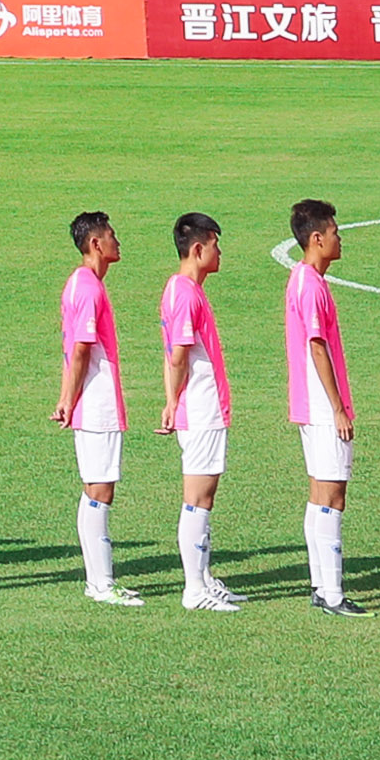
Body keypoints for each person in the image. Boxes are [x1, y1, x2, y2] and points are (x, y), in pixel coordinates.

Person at [52, 212, 142, 607]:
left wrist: (66, 397)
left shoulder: (80, 283)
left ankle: (99, 581)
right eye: (111, 236)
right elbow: (81, 350)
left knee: (96, 489)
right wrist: (69, 399)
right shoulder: (88, 288)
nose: (117, 242)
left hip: (90, 403)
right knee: (99, 491)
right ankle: (101, 583)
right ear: (94, 244)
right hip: (95, 403)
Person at [284, 198, 368, 615]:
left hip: (308, 404)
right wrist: (337, 407)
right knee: (333, 495)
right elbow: (317, 346)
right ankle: (332, 592)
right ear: (316, 238)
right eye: (334, 232)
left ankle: (321, 586)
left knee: (319, 494)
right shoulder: (312, 286)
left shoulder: (302, 279)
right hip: (321, 406)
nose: (340, 238)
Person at [158, 213, 245, 612]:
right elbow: (177, 356)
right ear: (197, 249)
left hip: (201, 407)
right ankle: (194, 589)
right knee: (197, 497)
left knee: (203, 497)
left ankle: (204, 579)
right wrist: (174, 401)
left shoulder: (184, 290)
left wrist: (171, 399)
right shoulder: (186, 294)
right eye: (214, 245)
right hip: (200, 408)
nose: (219, 252)